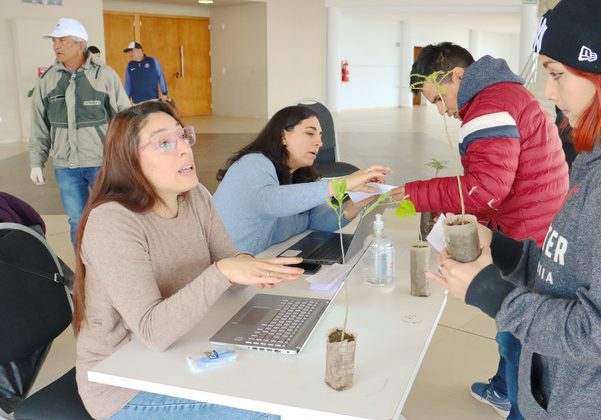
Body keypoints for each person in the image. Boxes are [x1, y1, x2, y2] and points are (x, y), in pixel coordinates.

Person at [428, 0, 601, 418]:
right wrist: (507, 252)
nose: (549, 93)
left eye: (557, 73)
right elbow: (577, 271)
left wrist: (495, 296)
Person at [73, 101, 303, 419]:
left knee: (293, 380)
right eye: (165, 143)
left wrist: (250, 268)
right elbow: (152, 332)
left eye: (183, 136)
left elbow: (229, 271)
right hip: (125, 383)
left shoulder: (195, 196)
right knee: (275, 412)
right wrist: (224, 271)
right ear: (130, 159)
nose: (184, 149)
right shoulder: (113, 221)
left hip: (187, 348)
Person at [391, 42, 569, 419]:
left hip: (524, 234)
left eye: (439, 99)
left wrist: (412, 194)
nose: (444, 111)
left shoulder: (488, 106)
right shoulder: (504, 93)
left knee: (515, 327)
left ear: (459, 76)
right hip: (537, 223)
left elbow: (483, 189)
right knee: (515, 323)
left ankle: (519, 406)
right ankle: (504, 387)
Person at [213, 105, 391, 255]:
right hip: (226, 275)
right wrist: (343, 183)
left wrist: (354, 205)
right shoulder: (253, 163)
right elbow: (272, 201)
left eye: (320, 135)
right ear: (283, 136)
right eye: (310, 133)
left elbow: (315, 220)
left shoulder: (299, 176)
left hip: (260, 264)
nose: (319, 142)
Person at [29, 18, 130, 244]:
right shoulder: (47, 80)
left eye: (62, 40)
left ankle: (113, 259)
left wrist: (127, 157)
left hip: (101, 163)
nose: (56, 46)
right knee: (77, 219)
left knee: (110, 216)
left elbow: (124, 118)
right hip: (66, 166)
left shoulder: (104, 76)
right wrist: (36, 162)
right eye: (54, 41)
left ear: (80, 45)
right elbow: (39, 124)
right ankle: (83, 269)